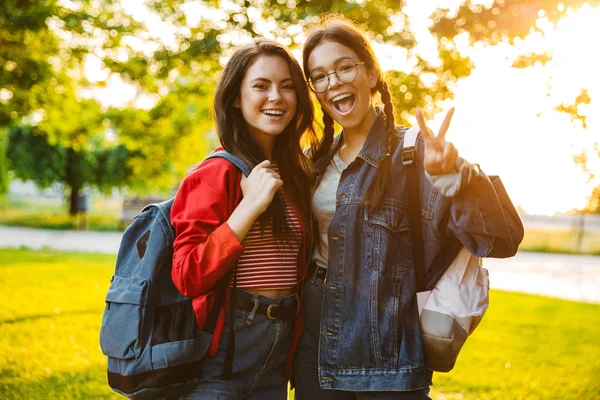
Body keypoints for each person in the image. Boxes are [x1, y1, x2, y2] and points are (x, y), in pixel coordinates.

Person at [292, 16, 524, 399]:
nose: (333, 82)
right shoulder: (313, 162)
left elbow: (501, 240)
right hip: (315, 342)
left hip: (387, 354)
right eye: (319, 76)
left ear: (371, 74)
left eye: (344, 67)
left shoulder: (416, 157)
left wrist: (457, 176)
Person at [170, 38, 317, 399]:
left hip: (279, 352)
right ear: (236, 97)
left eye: (287, 86)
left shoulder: (296, 173)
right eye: (261, 86)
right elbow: (187, 274)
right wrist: (247, 209)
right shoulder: (215, 173)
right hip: (225, 354)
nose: (276, 97)